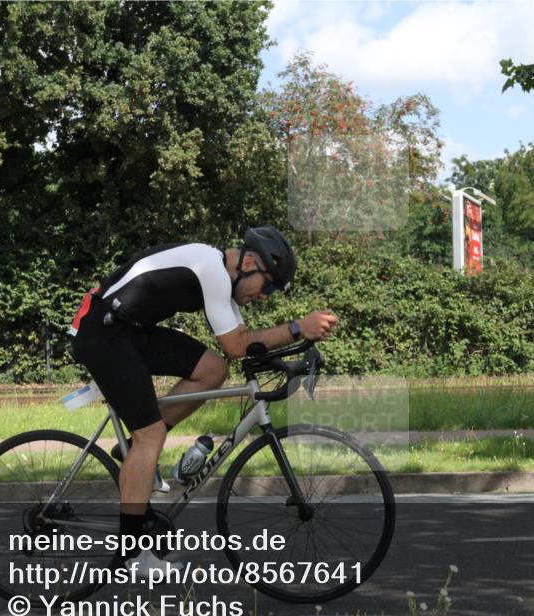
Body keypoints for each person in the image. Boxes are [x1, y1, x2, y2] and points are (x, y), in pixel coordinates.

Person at [67, 226, 338, 572]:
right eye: (267, 285)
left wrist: (290, 355)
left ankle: (136, 451)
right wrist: (298, 328)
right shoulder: (210, 267)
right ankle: (131, 554)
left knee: (212, 369)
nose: (265, 295)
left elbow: (244, 345)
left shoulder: (220, 279)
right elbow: (237, 346)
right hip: (103, 331)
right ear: (250, 261)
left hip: (129, 330)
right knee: (152, 435)